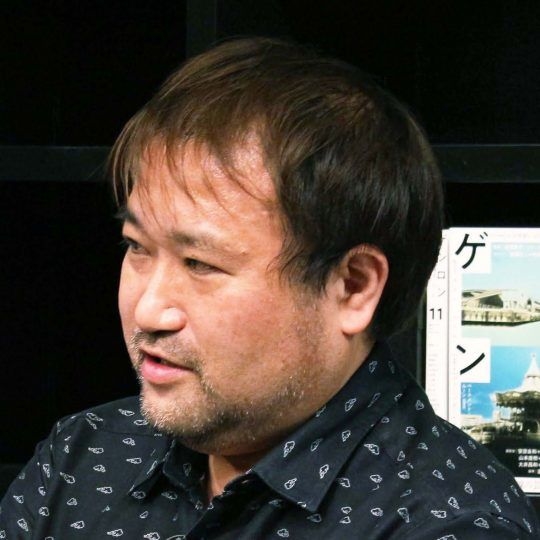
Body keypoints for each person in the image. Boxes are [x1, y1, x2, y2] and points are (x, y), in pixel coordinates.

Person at [1, 37, 538, 539]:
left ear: (352, 287)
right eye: (137, 247)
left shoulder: (448, 523)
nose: (148, 311)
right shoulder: (82, 455)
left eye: (200, 263)